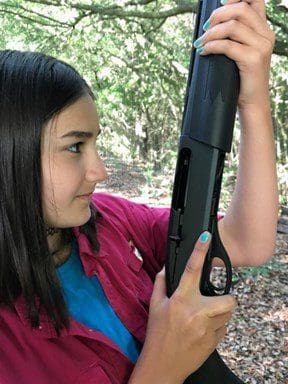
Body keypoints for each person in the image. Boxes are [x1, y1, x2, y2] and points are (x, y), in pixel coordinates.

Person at [0, 0, 278, 382]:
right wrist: (164, 364)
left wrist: (252, 99)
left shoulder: (107, 219)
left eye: (95, 143)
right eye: (74, 147)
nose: (99, 171)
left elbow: (248, 242)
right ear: (9, 155)